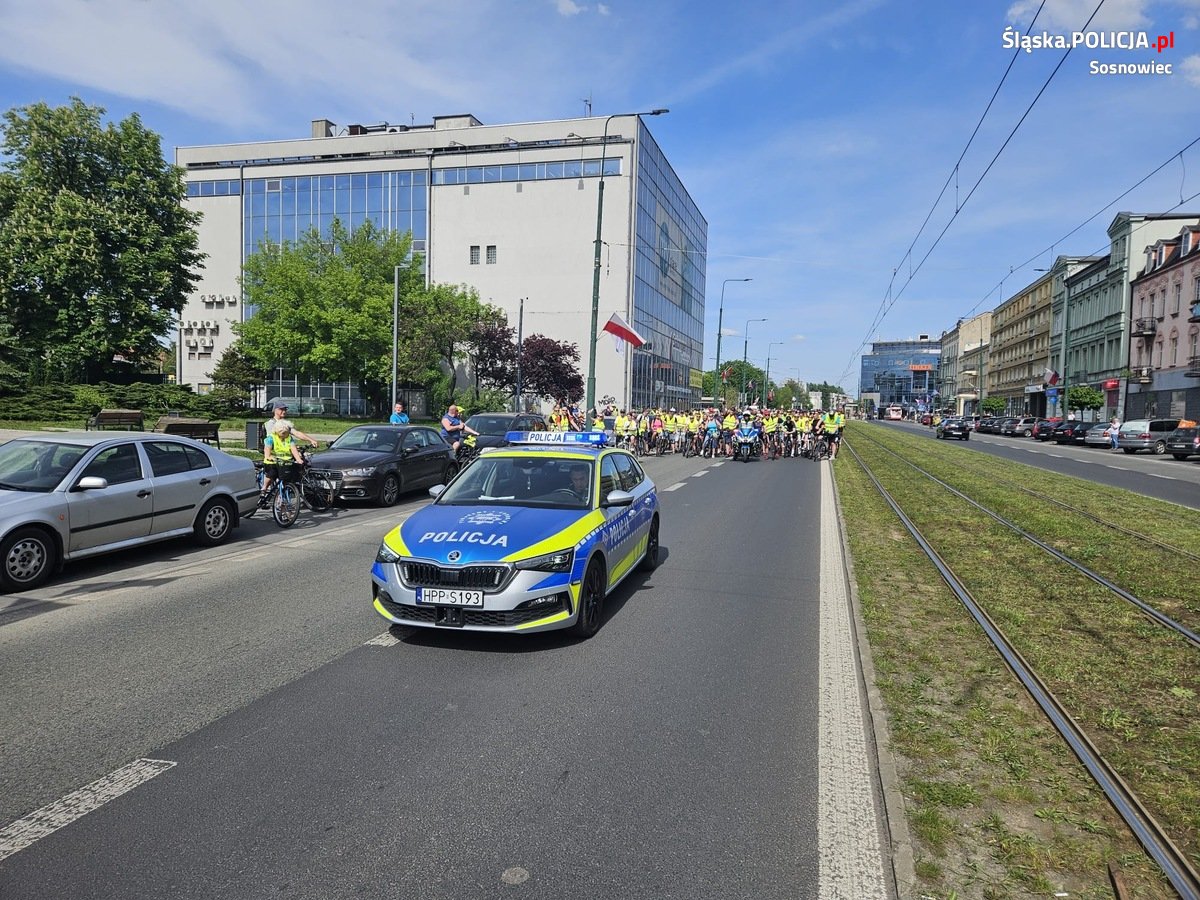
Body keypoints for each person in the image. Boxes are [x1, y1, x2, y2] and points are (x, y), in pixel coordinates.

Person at [260, 423, 305, 507]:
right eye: (282, 434)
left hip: (285, 462)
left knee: (288, 477)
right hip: (273, 462)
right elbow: (267, 450)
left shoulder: (288, 438)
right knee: (272, 474)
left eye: (286, 433)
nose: (284, 435)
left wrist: (298, 459)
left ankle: (281, 498)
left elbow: (293, 449)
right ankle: (264, 488)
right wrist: (269, 456)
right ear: (277, 432)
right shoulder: (271, 438)